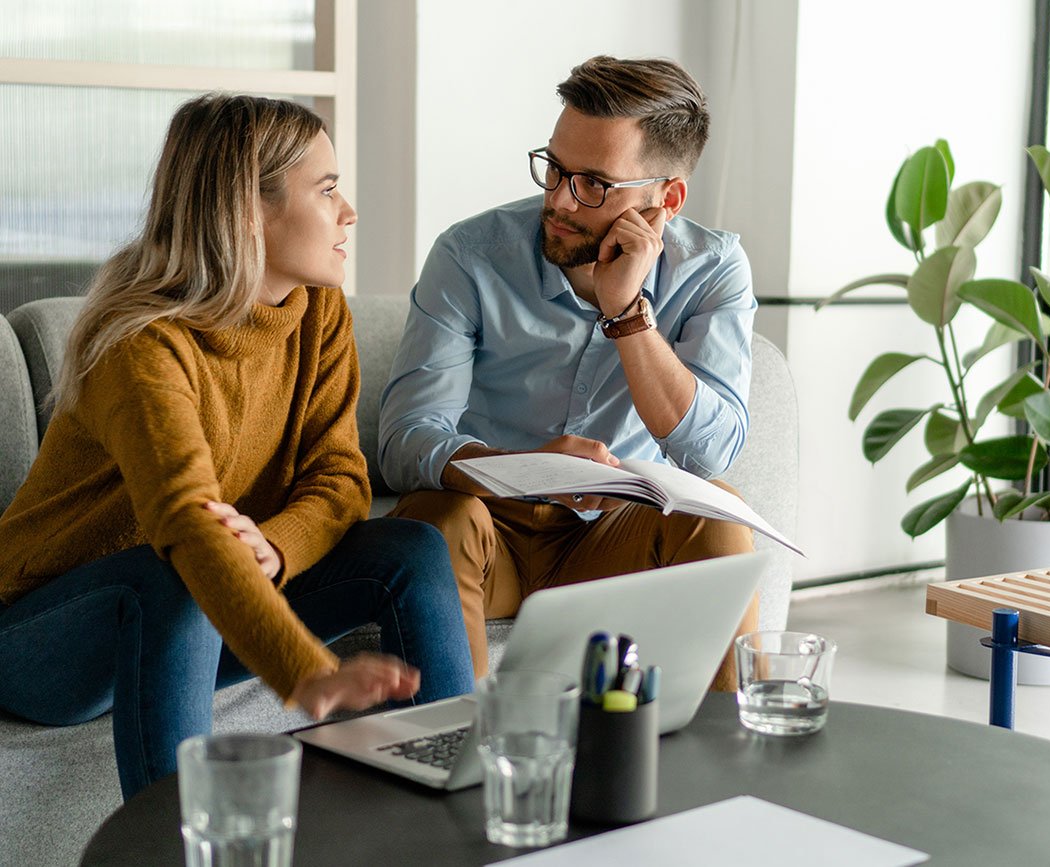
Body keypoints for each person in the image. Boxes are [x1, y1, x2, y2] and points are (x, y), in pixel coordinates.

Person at [0, 93, 473, 801]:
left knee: (408, 547)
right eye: (327, 189)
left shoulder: (318, 313)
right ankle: (175, 848)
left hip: (201, 603)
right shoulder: (143, 344)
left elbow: (341, 476)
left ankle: (455, 815)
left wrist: (275, 547)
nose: (349, 212)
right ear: (248, 211)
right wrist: (307, 672)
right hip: (49, 637)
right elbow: (187, 523)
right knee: (174, 573)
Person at [379, 56, 757, 688]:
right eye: (554, 167)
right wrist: (521, 472)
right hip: (486, 526)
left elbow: (712, 452)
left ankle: (734, 766)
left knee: (719, 518)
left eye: (592, 184)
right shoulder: (469, 256)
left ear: (665, 200)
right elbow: (404, 439)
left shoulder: (713, 269)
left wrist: (628, 316)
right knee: (437, 523)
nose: (556, 199)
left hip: (610, 537)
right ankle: (454, 752)